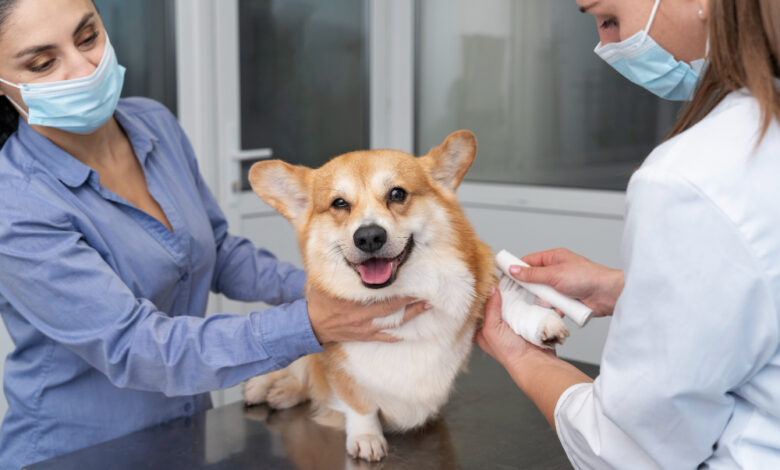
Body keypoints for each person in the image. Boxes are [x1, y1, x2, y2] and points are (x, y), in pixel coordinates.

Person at [0, 0, 429, 467]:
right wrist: (308, 324)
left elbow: (218, 250)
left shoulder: (152, 124)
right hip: (77, 453)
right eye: (43, 63)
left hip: (185, 433)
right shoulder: (16, 204)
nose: (83, 68)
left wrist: (327, 292)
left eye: (88, 37)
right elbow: (135, 347)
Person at [477, 0, 780, 468]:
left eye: (609, 19)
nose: (606, 46)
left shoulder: (693, 178)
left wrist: (522, 356)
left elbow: (627, 451)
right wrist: (621, 287)